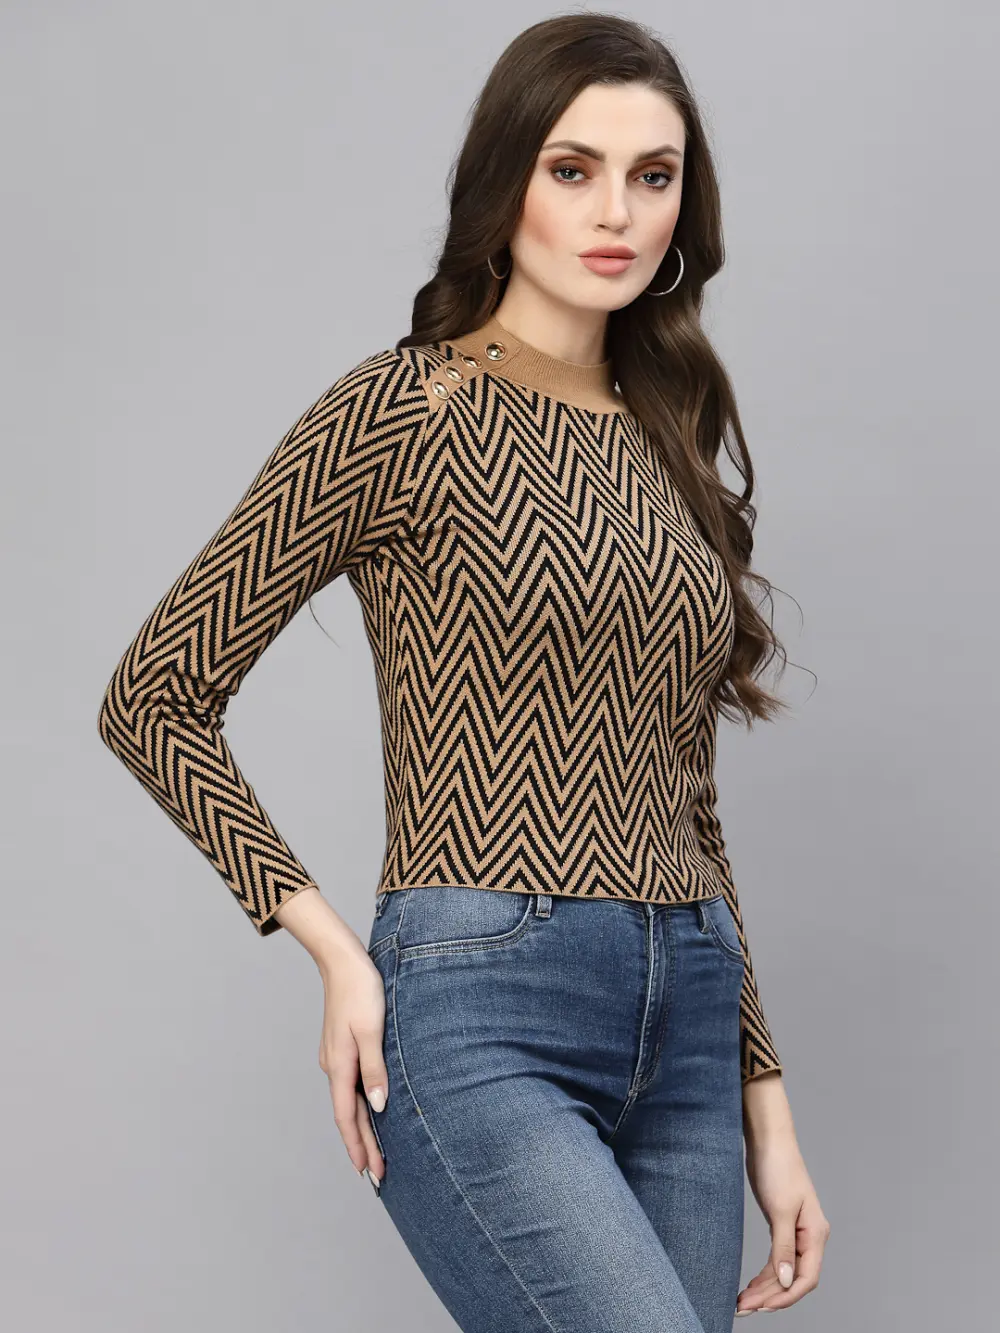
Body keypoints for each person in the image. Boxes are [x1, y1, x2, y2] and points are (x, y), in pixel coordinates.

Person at [97, 13, 830, 1332]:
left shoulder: (667, 438)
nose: (617, 212)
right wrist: (333, 950)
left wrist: (766, 1111)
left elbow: (689, 802)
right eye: (573, 169)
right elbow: (154, 696)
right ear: (505, 180)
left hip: (691, 1021)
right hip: (487, 1002)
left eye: (653, 176)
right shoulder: (407, 409)